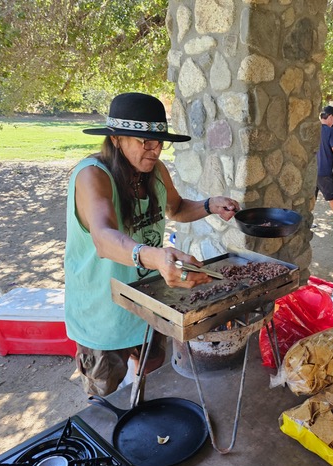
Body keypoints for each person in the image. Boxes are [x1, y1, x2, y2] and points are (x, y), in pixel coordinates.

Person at [65, 92, 239, 396]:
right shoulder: (92, 176)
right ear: (117, 138)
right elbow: (104, 239)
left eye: (159, 142)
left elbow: (176, 208)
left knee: (150, 382)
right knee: (106, 399)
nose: (154, 150)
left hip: (149, 303)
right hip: (104, 313)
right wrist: (154, 257)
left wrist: (210, 204)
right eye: (145, 142)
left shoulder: (155, 172)